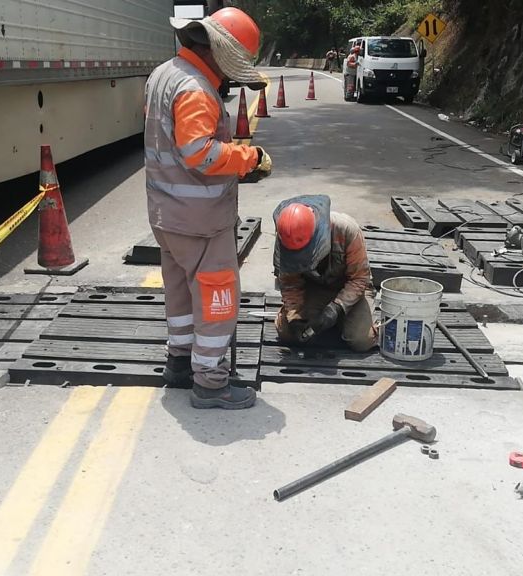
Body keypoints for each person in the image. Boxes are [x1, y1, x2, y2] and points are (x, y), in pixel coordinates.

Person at [145, 8, 272, 410]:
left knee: (180, 294)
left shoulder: (164, 74)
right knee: (217, 300)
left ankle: (180, 364)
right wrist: (248, 159)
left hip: (167, 213)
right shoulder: (197, 89)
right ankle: (212, 383)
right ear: (217, 51)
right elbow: (198, 152)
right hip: (200, 220)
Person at [272, 195, 378, 352]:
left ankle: (340, 322)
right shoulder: (287, 237)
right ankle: (329, 324)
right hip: (314, 289)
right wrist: (295, 316)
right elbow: (289, 282)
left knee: (361, 340)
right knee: (287, 333)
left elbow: (360, 278)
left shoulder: (347, 230)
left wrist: (336, 309)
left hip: (351, 289)